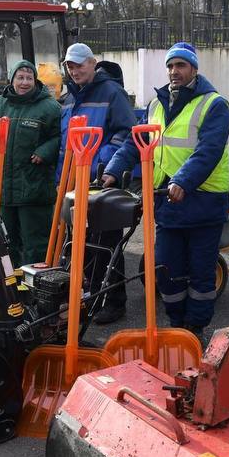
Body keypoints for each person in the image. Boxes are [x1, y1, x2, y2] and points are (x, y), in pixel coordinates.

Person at [103, 42, 229, 344]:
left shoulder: (215, 104)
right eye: (171, 66)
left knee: (200, 274)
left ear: (194, 69)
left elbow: (208, 150)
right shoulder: (156, 104)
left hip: (202, 202)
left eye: (181, 66)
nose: (174, 71)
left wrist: (183, 181)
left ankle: (195, 329)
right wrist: (112, 169)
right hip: (167, 202)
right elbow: (136, 141)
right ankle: (176, 326)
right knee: (166, 270)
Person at [59, 42, 137, 324]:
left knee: (106, 244)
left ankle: (115, 302)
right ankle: (87, 299)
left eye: (79, 64)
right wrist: (61, 178)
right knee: (79, 245)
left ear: (93, 63)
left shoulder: (111, 93)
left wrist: (106, 167)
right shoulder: (69, 98)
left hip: (100, 182)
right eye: (69, 65)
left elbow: (128, 134)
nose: (74, 70)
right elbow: (65, 144)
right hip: (73, 183)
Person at [0, 60, 61, 266]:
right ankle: (9, 289)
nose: (24, 83)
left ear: (35, 80)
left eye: (29, 78)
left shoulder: (50, 108)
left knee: (36, 245)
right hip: (3, 193)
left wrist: (46, 151)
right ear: (12, 79)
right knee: (4, 245)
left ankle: (36, 291)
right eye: (20, 78)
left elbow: (61, 137)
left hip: (34, 191)